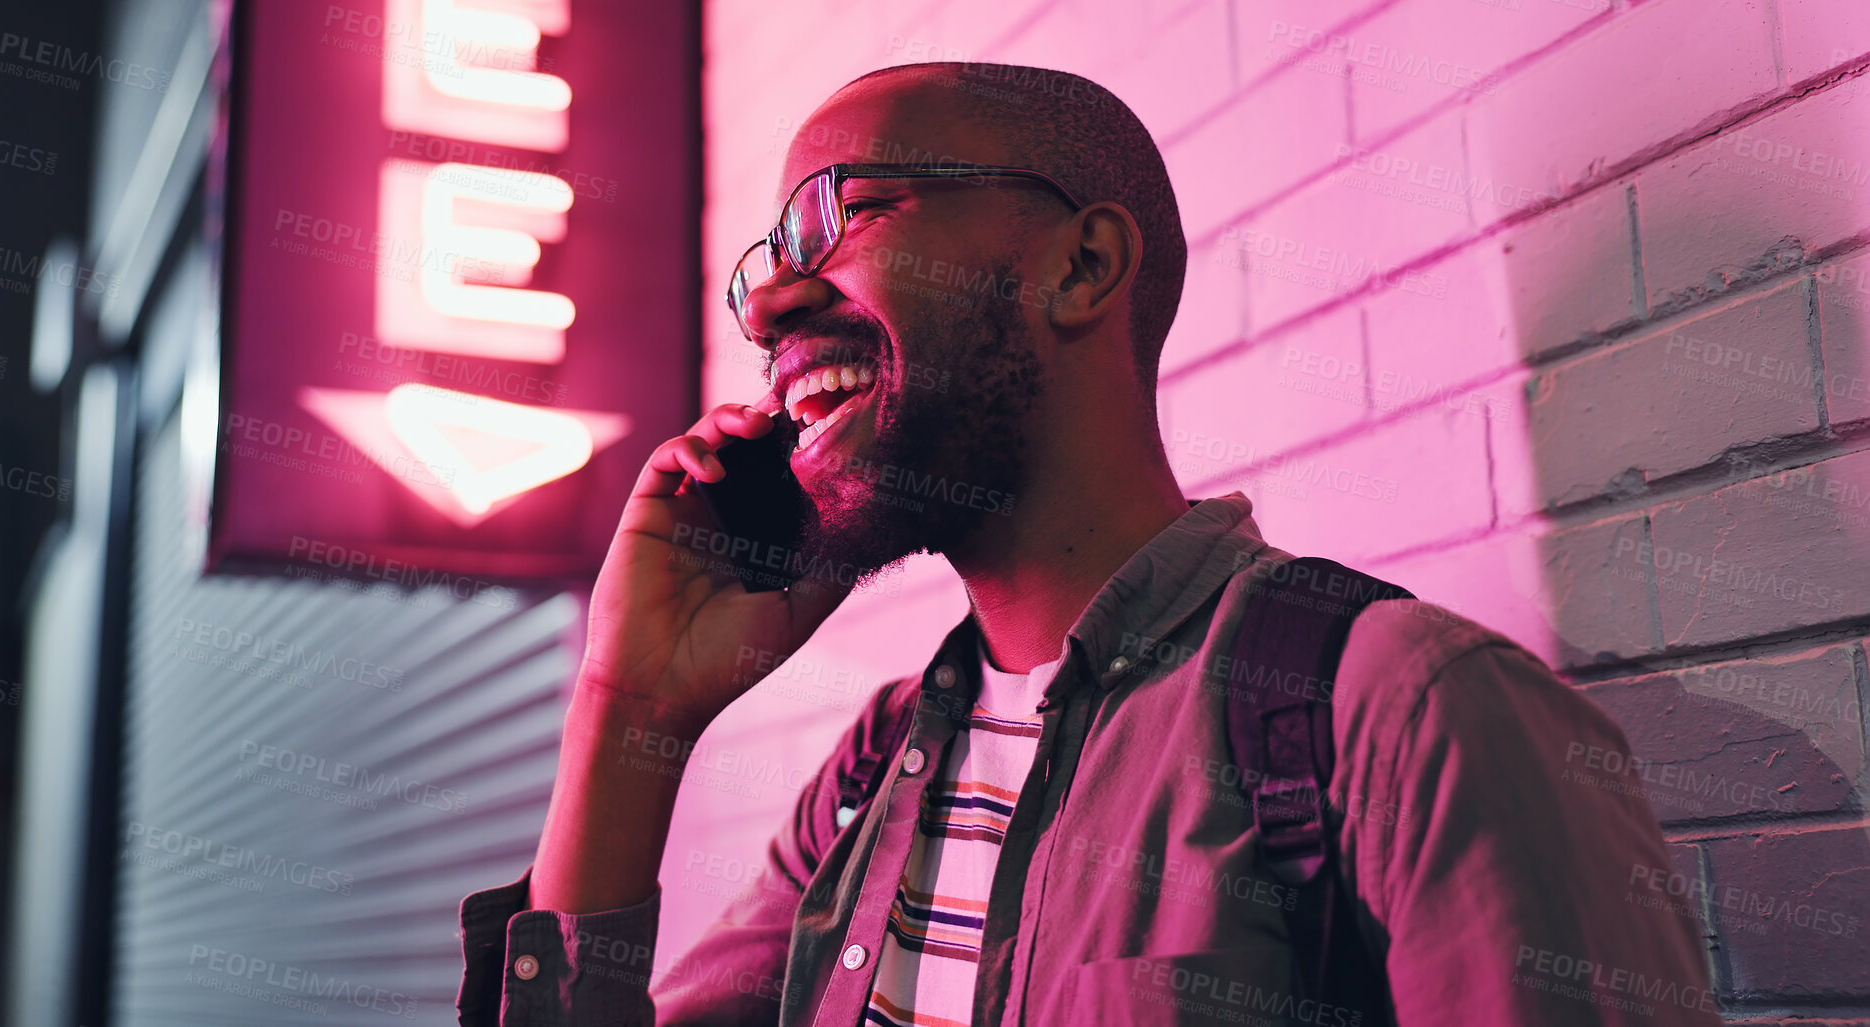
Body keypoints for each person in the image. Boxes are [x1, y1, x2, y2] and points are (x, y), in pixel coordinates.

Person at [456, 62, 1719, 1026]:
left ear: (1083, 264)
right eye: (764, 267)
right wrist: (630, 712)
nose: (776, 304)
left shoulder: (1399, 716)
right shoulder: (872, 776)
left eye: (846, 213)